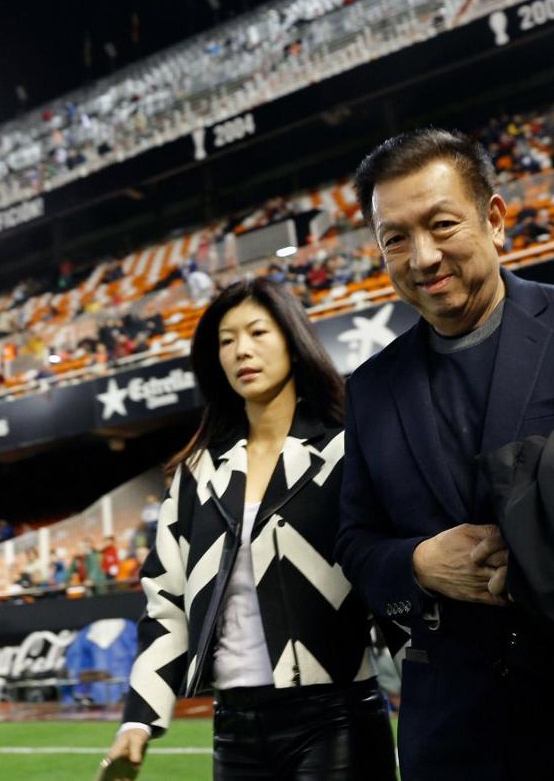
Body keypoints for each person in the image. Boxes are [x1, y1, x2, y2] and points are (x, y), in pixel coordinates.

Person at [335, 127, 554, 780]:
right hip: (455, 738)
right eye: (395, 238)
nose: (422, 256)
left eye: (442, 225)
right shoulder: (369, 390)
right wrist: (415, 564)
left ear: (494, 220)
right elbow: (356, 540)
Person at [105, 279, 395, 780]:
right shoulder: (196, 475)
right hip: (234, 726)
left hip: (337, 717)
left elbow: (392, 572)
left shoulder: (344, 452)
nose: (242, 350)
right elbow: (165, 604)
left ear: (292, 340)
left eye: (258, 332)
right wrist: (138, 721)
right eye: (226, 340)